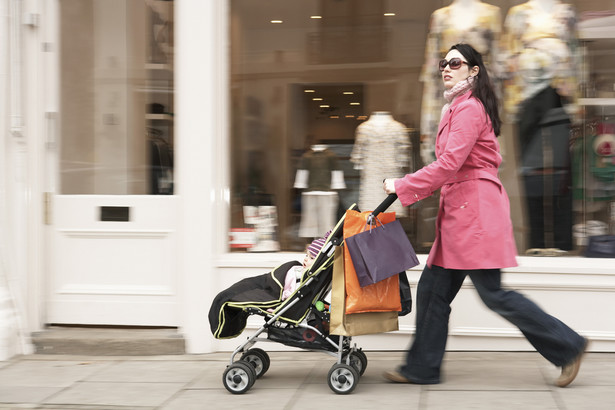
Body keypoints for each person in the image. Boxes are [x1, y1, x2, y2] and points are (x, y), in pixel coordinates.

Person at [381, 43, 588, 387]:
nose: (446, 68)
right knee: (433, 292)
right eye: (443, 63)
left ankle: (568, 346)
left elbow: (449, 164)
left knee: (493, 293)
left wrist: (402, 185)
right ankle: (421, 368)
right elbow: (450, 168)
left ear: (474, 70)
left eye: (455, 63)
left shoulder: (469, 110)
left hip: (474, 212)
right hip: (461, 211)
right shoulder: (457, 108)